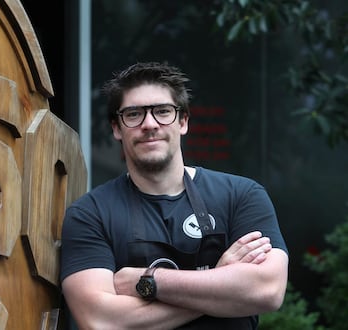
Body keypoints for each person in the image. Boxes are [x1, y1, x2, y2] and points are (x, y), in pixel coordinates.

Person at [59, 61, 288, 329]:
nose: (149, 124)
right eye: (133, 114)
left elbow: (267, 291)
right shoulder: (90, 214)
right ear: (116, 128)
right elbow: (101, 320)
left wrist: (148, 280)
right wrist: (220, 280)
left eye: (162, 111)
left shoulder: (242, 195)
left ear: (183, 121)